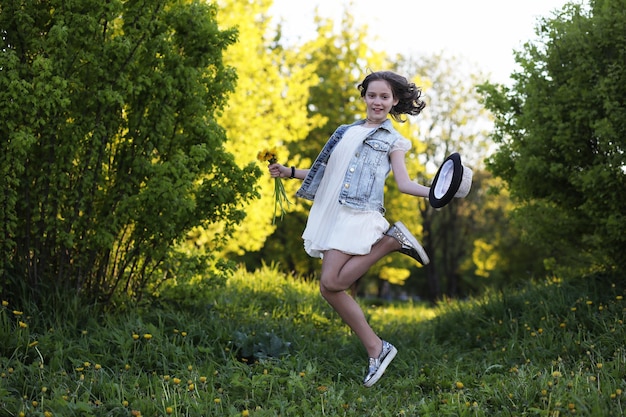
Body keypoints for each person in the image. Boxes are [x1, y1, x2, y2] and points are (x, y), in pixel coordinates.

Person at [268, 70, 430, 387]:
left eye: (385, 97)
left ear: (395, 100)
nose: (378, 102)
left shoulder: (393, 140)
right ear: (364, 97)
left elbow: (405, 183)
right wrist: (288, 171)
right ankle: (377, 348)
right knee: (330, 287)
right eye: (372, 95)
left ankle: (390, 244)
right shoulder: (345, 131)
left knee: (329, 283)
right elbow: (326, 171)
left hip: (358, 212)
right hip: (334, 212)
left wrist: (436, 193)